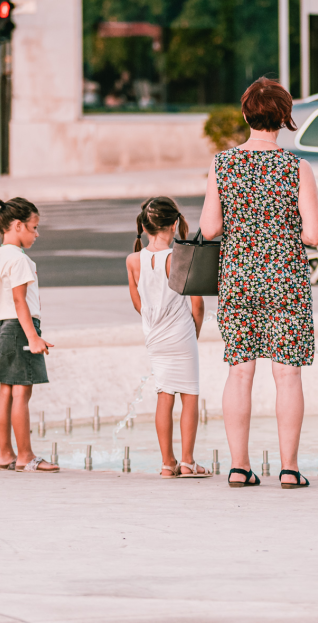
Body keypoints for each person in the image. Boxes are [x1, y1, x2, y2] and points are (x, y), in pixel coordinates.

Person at [199, 77, 318, 490]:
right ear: (284, 117)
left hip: (238, 278)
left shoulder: (223, 163)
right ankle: (289, 469)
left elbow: (210, 227)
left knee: (240, 374)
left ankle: (238, 466)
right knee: (287, 375)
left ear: (246, 114)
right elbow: (314, 235)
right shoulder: (296, 168)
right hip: (285, 277)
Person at [126, 197, 210, 479]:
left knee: (164, 394)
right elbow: (197, 305)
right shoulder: (180, 257)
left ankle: (166, 464)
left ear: (146, 226)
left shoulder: (133, 259)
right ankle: (187, 462)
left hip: (155, 335)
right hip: (181, 332)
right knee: (189, 395)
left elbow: (137, 303)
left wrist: (153, 324)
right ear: (175, 223)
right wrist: (193, 333)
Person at [0, 197, 58, 473]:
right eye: (34, 227)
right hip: (20, 328)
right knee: (21, 394)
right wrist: (32, 337)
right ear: (17, 226)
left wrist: (1, 331)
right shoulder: (20, 260)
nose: (37, 234)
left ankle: (5, 454)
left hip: (2, 327)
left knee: (5, 391)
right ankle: (26, 456)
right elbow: (19, 301)